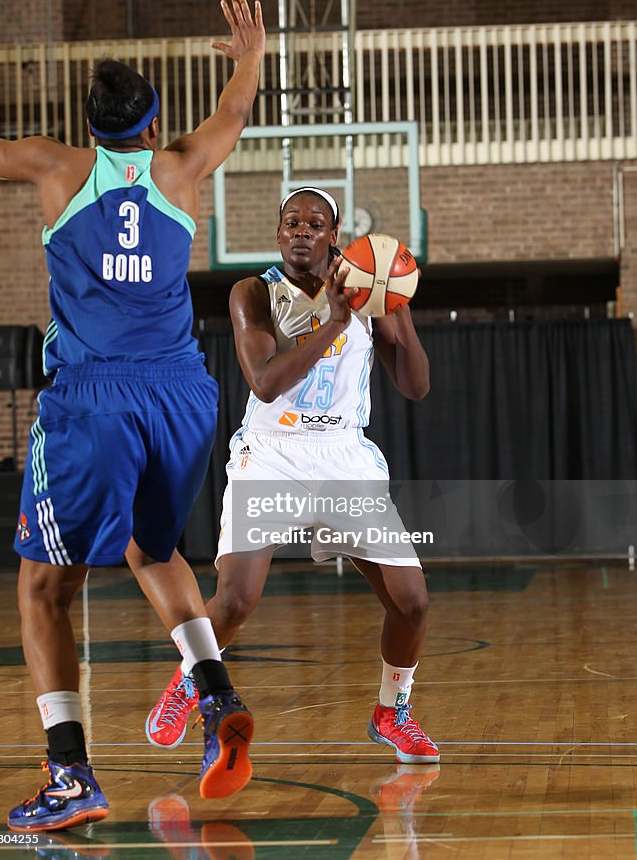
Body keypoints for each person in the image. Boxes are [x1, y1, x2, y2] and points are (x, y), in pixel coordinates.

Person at [0, 0, 266, 830]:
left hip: (94, 401)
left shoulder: (57, 168)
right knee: (152, 545)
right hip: (181, 393)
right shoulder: (181, 167)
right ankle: (215, 698)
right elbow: (235, 108)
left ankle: (70, 775)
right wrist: (249, 50)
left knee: (39, 590)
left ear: (87, 125)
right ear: (152, 120)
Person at [146, 187, 439, 764]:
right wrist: (335, 321)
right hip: (272, 453)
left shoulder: (363, 293)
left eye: (314, 223)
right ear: (278, 233)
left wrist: (396, 310)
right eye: (291, 222)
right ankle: (190, 682)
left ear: (335, 235)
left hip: (342, 457)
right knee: (233, 600)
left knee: (412, 604)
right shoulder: (252, 292)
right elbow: (264, 382)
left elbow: (416, 386)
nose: (301, 230)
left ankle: (391, 711)